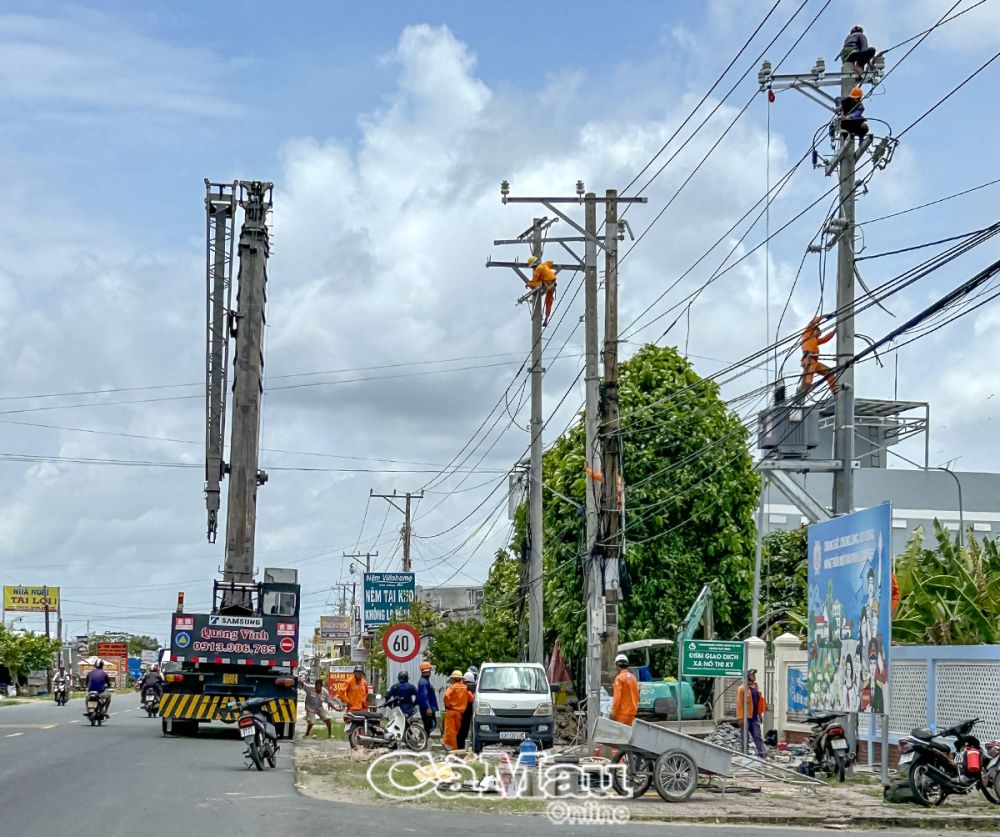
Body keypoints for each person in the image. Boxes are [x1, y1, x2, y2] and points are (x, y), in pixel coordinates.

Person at [798, 316, 837, 396]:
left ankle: (835, 392)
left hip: (814, 362)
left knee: (829, 372)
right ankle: (801, 393)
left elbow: (825, 339)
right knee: (808, 380)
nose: (819, 334)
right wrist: (824, 316)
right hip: (808, 360)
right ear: (814, 329)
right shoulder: (807, 334)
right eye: (818, 332)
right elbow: (813, 322)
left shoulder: (815, 340)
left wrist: (835, 330)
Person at [736, 669, 768, 758]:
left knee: (757, 735)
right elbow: (739, 704)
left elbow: (758, 702)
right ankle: (744, 753)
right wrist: (740, 717)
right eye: (752, 674)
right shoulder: (742, 689)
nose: (754, 676)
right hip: (745, 717)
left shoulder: (755, 687)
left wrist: (759, 714)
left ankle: (762, 752)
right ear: (747, 676)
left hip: (754, 716)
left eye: (754, 674)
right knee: (745, 737)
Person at [338, 665, 370, 747]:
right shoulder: (349, 681)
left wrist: (366, 704)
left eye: (360, 673)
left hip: (362, 709)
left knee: (363, 726)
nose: (358, 674)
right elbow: (340, 692)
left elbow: (366, 694)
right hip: (352, 709)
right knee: (352, 728)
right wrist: (347, 701)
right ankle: (353, 744)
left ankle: (363, 744)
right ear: (354, 673)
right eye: (357, 673)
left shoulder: (364, 682)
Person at [526, 256, 558, 326]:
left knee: (532, 283)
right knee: (549, 301)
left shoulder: (538, 269)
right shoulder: (544, 265)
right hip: (552, 284)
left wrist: (528, 284)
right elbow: (550, 262)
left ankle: (546, 318)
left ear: (534, 264)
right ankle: (546, 318)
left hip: (546, 284)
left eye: (532, 267)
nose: (533, 269)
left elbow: (534, 280)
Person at [442, 670, 469, 751]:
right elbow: (471, 697)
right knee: (456, 731)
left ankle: (450, 747)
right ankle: (453, 747)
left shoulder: (452, 687)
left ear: (454, 679)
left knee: (450, 731)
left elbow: (446, 695)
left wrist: (447, 704)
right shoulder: (465, 687)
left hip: (450, 711)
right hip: (459, 713)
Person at [610, 653, 639, 727]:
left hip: (622, 714)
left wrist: (613, 712)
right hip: (632, 713)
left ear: (617, 665)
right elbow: (637, 696)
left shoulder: (619, 678)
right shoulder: (633, 678)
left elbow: (617, 698)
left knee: (619, 737)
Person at [416, 661, 438, 737]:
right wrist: (428, 708)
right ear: (427, 671)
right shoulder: (424, 682)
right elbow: (424, 695)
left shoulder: (424, 681)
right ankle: (423, 739)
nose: (430, 673)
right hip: (427, 708)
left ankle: (423, 738)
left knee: (429, 725)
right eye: (430, 671)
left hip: (427, 707)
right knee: (430, 725)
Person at [456, 670, 477, 750]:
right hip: (465, 713)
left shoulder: (460, 688)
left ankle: (459, 747)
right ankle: (460, 747)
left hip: (461, 712)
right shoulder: (466, 689)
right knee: (463, 731)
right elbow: (471, 699)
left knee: (461, 731)